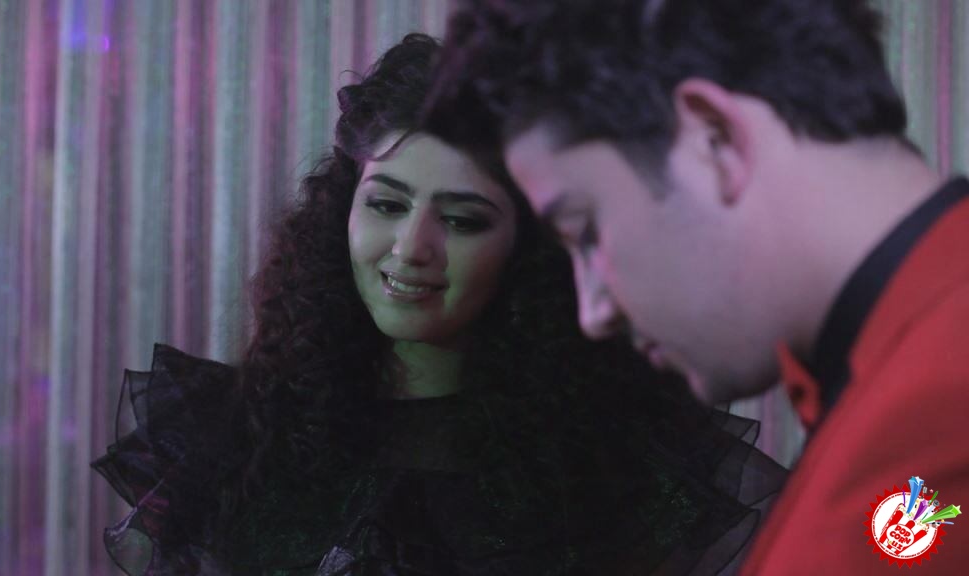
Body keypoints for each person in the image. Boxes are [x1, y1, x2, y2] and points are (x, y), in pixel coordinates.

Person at [92, 34, 784, 575]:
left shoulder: (619, 471)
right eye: (386, 205)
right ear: (341, 212)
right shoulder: (230, 439)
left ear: (534, 250)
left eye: (461, 220)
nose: (411, 247)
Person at [421, 0, 969, 573]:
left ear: (714, 140)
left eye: (585, 231)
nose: (593, 312)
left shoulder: (938, 402)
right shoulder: (885, 378)